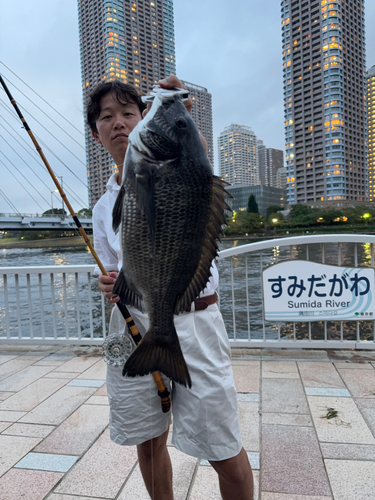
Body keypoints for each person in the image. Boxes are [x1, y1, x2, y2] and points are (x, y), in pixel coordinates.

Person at [88, 75, 254, 500]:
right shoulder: (104, 205)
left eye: (129, 113)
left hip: (196, 318)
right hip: (134, 323)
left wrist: (178, 110)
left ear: (144, 118)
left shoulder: (186, 167)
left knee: (223, 446)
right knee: (147, 439)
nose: (119, 123)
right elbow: (116, 269)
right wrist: (111, 283)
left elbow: (196, 174)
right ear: (97, 132)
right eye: (108, 117)